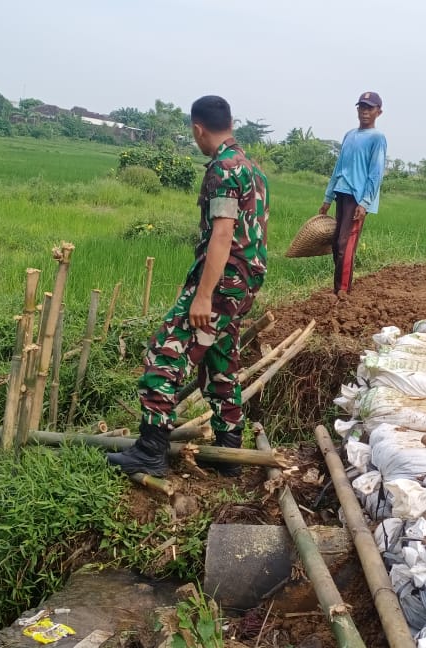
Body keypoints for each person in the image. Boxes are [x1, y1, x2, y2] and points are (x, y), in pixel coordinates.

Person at [106, 95, 269, 478]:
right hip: (244, 283)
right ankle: (229, 451)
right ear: (230, 123)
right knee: (219, 359)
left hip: (223, 282)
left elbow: (223, 236)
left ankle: (151, 451)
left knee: (164, 351)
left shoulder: (223, 170)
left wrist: (203, 295)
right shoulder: (252, 169)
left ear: (198, 129)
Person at [318, 91, 387, 297]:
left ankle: (343, 291)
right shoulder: (349, 135)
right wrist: (328, 197)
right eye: (362, 107)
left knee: (345, 245)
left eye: (369, 108)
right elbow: (338, 167)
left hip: (357, 198)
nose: (365, 111)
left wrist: (365, 202)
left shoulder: (377, 138)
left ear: (378, 112)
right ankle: (338, 288)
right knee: (336, 243)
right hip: (341, 192)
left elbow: (376, 173)